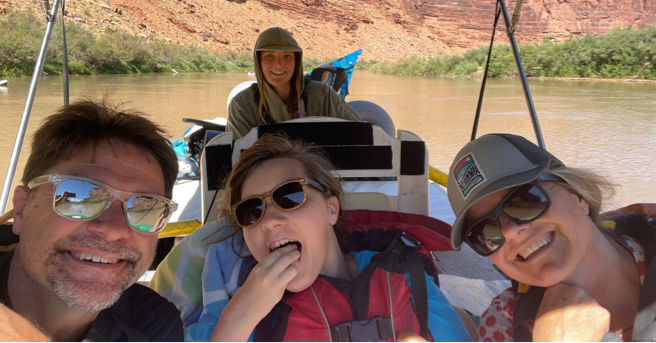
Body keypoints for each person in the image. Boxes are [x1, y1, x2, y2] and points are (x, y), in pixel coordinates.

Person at [172, 134, 470, 341]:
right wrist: (238, 318)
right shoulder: (238, 294)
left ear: (331, 208)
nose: (270, 221)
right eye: (252, 211)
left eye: (289, 195)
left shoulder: (405, 271)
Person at [0, 99, 184, 341]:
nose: (115, 229)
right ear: (22, 210)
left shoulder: (151, 323)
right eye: (79, 195)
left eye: (145, 207)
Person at [446, 133, 656, 342]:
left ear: (577, 195)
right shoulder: (502, 325)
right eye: (484, 231)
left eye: (524, 201)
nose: (509, 232)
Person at [226, 27, 361, 139]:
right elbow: (239, 161)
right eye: (269, 56)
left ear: (296, 61)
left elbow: (360, 135)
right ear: (258, 62)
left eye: (287, 56)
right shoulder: (242, 104)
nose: (278, 63)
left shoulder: (322, 96)